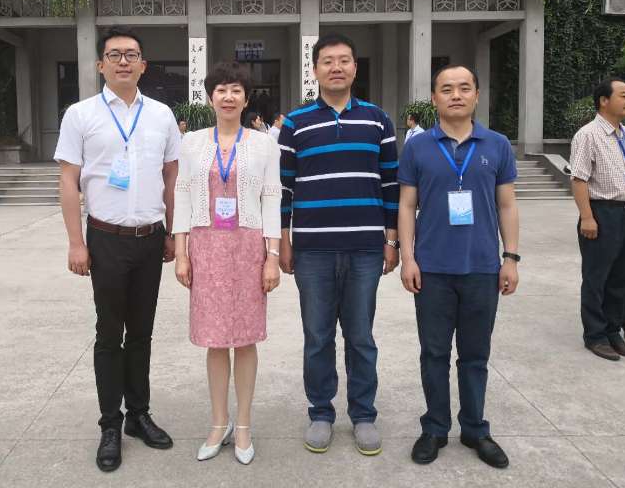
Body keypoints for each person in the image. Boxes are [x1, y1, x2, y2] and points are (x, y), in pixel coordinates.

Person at [54, 27, 181, 473]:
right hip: (105, 239)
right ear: (100, 65)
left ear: (144, 65)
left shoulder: (162, 115)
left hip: (150, 239)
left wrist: (172, 233)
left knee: (142, 333)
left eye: (131, 54)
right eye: (114, 55)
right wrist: (76, 242)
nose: (123, 61)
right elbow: (68, 180)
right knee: (109, 333)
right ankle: (110, 424)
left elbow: (172, 177)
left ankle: (138, 415)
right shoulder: (80, 114)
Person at [278, 34, 400, 456]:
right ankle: (321, 413)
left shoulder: (377, 120)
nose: (336, 67)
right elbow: (284, 189)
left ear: (355, 68)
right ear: (314, 69)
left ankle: (363, 414)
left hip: (365, 248)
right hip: (312, 250)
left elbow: (391, 185)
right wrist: (284, 241)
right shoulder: (295, 123)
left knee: (361, 336)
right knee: (317, 336)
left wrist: (391, 240)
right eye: (327, 61)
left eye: (344, 60)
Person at [398, 64, 519, 469]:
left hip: (483, 268)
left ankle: (475, 428)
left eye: (464, 88)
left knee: (475, 355)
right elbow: (407, 205)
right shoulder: (417, 147)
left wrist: (510, 258)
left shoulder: (497, 145)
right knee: (433, 353)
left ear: (476, 95)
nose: (456, 95)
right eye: (446, 89)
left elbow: (507, 204)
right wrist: (408, 258)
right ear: (434, 98)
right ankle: (434, 427)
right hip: (432, 269)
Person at [172, 62, 281, 465]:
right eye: (221, 90)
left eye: (236, 90)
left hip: (249, 247)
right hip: (206, 247)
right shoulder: (192, 143)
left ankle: (245, 424)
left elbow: (272, 198)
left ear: (246, 99)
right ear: (210, 97)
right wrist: (181, 252)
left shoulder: (264, 144)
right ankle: (219, 423)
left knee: (245, 339)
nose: (229, 97)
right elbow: (183, 194)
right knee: (215, 341)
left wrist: (272, 257)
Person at [570, 78, 625, 361]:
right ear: (603, 100)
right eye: (623, 95)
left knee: (622, 278)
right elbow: (579, 179)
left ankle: (613, 333)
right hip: (602, 213)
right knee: (597, 278)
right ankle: (595, 335)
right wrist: (587, 217)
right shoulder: (588, 135)